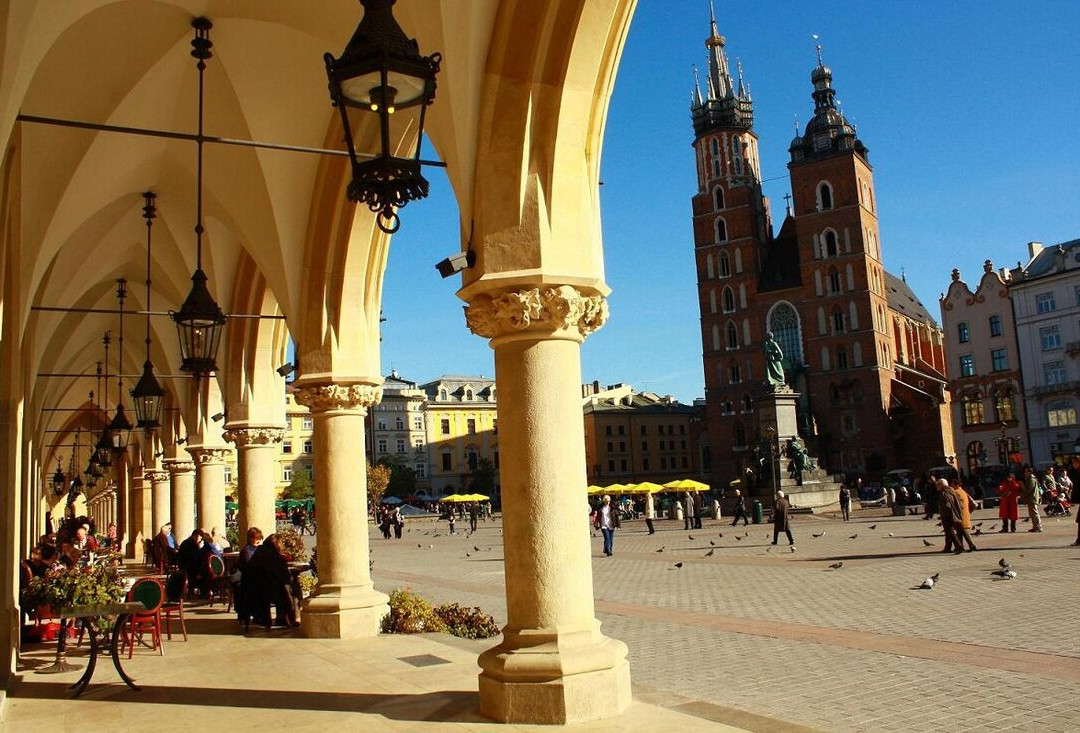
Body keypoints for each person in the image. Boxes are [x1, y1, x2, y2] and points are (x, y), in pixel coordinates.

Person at [244, 534, 299, 629]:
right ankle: (291, 618)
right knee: (293, 587)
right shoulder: (275, 556)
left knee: (282, 586)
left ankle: (278, 618)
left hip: (253, 588)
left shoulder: (258, 552)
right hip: (270, 590)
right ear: (277, 544)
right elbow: (284, 576)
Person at [936, 478, 964, 553]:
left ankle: (959, 546)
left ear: (942, 485)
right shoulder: (952, 490)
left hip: (947, 515)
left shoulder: (943, 493)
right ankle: (948, 547)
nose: (937, 486)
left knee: (949, 531)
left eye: (938, 484)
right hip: (955, 513)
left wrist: (942, 513)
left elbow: (946, 505)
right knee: (948, 532)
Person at [952, 480, 978, 552]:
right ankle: (960, 546)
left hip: (960, 514)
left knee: (963, 531)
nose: (952, 486)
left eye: (953, 485)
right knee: (960, 531)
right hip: (965, 514)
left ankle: (971, 546)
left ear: (957, 485)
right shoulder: (963, 492)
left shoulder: (956, 492)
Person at [1021, 465, 1043, 532]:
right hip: (1031, 498)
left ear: (1029, 472)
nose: (1025, 473)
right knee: (1032, 514)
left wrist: (1022, 487)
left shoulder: (1031, 479)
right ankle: (1035, 526)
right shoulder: (1030, 478)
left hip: (1032, 498)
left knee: (1034, 513)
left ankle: (1038, 527)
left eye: (1026, 472)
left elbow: (1028, 489)